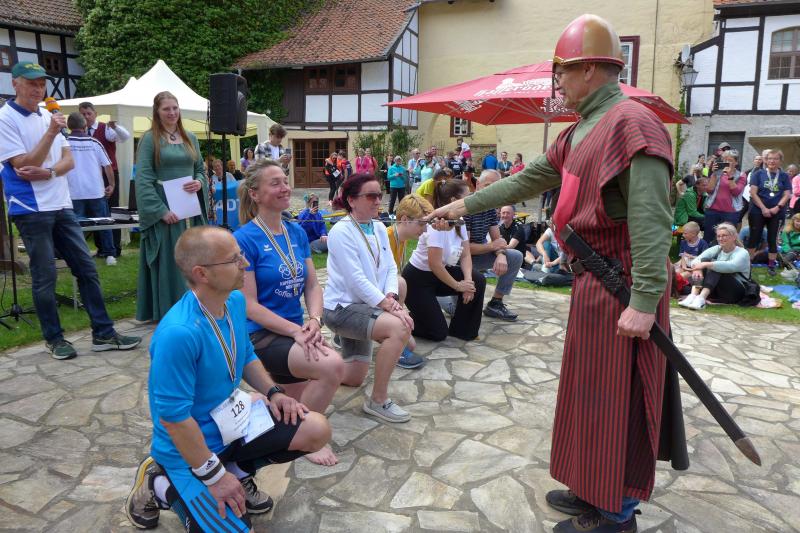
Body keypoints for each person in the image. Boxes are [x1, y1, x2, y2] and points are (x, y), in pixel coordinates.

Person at [429, 15, 687, 533]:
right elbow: (526, 180)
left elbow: (651, 220)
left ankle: (616, 513)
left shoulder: (633, 124)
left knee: (619, 400)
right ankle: (591, 486)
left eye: (563, 72)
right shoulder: (579, 131)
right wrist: (461, 207)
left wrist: (644, 301)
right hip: (592, 282)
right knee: (587, 394)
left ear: (590, 68)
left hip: (622, 286)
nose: (558, 83)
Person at [125, 225, 330, 531]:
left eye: (241, 255)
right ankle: (159, 483)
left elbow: (245, 354)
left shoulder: (233, 301)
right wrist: (214, 477)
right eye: (234, 259)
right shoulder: (178, 334)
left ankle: (236, 470)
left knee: (316, 428)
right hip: (189, 452)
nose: (244, 263)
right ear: (202, 273)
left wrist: (274, 392)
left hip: (232, 426)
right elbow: (174, 419)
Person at [0, 61, 141, 359]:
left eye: (42, 83)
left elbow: (68, 161)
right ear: (15, 83)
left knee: (86, 268)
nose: (39, 88)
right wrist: (51, 135)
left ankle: (103, 333)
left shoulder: (47, 115)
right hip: (30, 207)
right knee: (45, 275)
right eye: (32, 83)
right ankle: (54, 338)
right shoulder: (6, 119)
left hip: (62, 203)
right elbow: (23, 164)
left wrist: (49, 171)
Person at [234, 159, 344, 466]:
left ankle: (282, 424)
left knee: (294, 399)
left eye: (285, 181)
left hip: (294, 330)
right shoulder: (243, 239)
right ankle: (305, 436)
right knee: (332, 366)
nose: (285, 188)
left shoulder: (295, 232)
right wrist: (296, 331)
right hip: (260, 335)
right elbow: (249, 305)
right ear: (254, 194)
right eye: (275, 183)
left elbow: (312, 284)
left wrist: (314, 321)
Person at [323, 174, 415, 423]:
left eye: (379, 195)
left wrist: (391, 295)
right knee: (399, 328)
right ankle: (378, 401)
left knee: (354, 378)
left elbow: (390, 268)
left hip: (365, 307)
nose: (378, 201)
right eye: (371, 196)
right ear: (351, 200)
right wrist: (390, 307)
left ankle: (322, 366)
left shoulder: (378, 227)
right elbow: (356, 280)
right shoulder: (341, 231)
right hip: (342, 309)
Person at [135, 91, 209, 322]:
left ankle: (196, 305)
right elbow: (143, 178)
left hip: (190, 209)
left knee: (194, 258)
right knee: (171, 259)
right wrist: (160, 211)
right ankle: (171, 310)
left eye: (175, 108)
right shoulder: (150, 139)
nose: (172, 113)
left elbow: (199, 169)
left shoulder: (190, 138)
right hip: (168, 211)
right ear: (157, 112)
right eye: (166, 109)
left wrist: (199, 182)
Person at [403, 179, 486, 342]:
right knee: (438, 333)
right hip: (417, 280)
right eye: (467, 196)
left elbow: (465, 255)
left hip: (439, 274)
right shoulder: (437, 225)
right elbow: (434, 264)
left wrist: (468, 282)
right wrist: (458, 286)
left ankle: (463, 330)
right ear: (454, 201)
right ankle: (407, 320)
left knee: (478, 280)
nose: (471, 200)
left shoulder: (460, 221)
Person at [386, 193, 446, 369]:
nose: (425, 230)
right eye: (421, 224)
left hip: (384, 293)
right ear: (405, 219)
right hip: (371, 297)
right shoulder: (387, 236)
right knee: (401, 283)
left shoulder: (401, 239)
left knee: (410, 343)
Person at [463, 170, 522, 321]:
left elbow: (497, 240)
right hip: (457, 260)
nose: (492, 191)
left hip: (477, 255)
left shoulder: (490, 208)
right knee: (458, 309)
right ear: (477, 185)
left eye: (496, 187)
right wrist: (492, 247)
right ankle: (441, 299)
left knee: (515, 256)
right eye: (488, 186)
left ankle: (495, 303)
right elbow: (464, 249)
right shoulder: (466, 207)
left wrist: (501, 255)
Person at [79, 101, 131, 258]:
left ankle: (115, 248)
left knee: (111, 210)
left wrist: (115, 127)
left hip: (109, 174)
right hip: (90, 176)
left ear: (95, 114)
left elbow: (125, 137)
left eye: (89, 113)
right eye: (83, 114)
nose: (86, 117)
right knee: (94, 211)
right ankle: (101, 248)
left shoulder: (105, 129)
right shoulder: (79, 131)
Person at [64, 112, 117, 265]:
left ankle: (80, 255)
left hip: (73, 192)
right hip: (96, 191)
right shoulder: (95, 142)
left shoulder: (64, 142)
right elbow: (108, 166)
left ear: (69, 126)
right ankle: (110, 255)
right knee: (103, 223)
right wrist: (112, 184)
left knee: (76, 226)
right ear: (85, 126)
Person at [679, 222, 751, 309]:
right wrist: (698, 269)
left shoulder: (742, 252)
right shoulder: (717, 248)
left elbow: (732, 266)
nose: (720, 238)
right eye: (718, 236)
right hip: (718, 288)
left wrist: (706, 264)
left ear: (734, 237)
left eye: (724, 235)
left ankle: (701, 298)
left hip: (736, 291)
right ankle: (693, 296)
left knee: (715, 266)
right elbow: (695, 260)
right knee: (704, 261)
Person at [747, 149, 792, 275]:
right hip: (757, 211)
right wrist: (763, 208)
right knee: (754, 237)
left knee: (773, 239)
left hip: (777, 212)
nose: (772, 161)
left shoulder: (784, 176)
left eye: (775, 158)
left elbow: (787, 194)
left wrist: (777, 207)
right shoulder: (758, 174)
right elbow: (753, 193)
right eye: (769, 158)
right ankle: (748, 264)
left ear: (780, 161)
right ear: (765, 160)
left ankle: (771, 265)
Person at [704, 149, 746, 245]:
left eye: (730, 160)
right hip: (713, 210)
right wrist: (713, 174)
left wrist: (730, 176)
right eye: (724, 160)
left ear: (736, 162)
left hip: (730, 212)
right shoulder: (718, 172)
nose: (726, 162)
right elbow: (709, 190)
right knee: (709, 236)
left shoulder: (741, 175)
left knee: (727, 238)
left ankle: (725, 254)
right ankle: (708, 254)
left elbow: (736, 192)